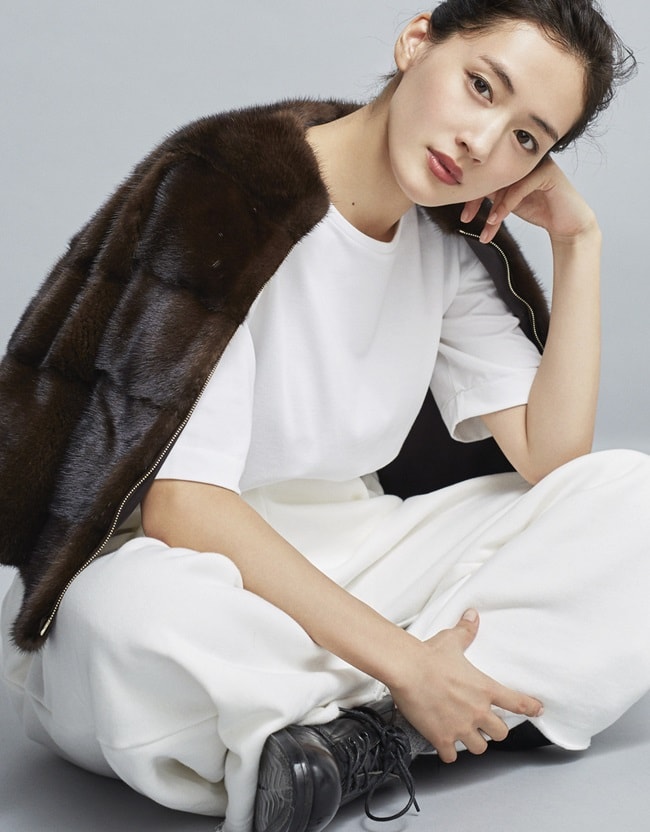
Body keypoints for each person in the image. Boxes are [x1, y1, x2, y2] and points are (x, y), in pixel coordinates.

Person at [0, 1, 647, 831]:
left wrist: (578, 242)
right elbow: (182, 504)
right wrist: (405, 656)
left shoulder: (445, 246)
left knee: (634, 500)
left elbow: (554, 463)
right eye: (481, 86)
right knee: (122, 622)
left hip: (353, 555)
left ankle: (349, 737)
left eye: (527, 138)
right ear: (417, 41)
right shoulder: (230, 190)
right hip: (186, 567)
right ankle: (428, 696)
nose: (482, 143)